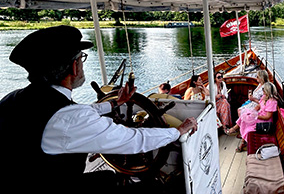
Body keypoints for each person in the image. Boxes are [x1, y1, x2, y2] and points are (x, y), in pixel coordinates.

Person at [0, 25, 198, 191]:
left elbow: (74, 115)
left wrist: (114, 103)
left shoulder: (12, 99)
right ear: (74, 67)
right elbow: (134, 140)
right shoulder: (70, 117)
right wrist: (177, 132)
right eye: (81, 59)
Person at [226, 82, 278, 152]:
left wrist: (256, 116)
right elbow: (259, 106)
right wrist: (252, 112)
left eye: (263, 89)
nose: (262, 91)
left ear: (267, 91)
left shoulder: (272, 102)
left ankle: (239, 137)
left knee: (247, 125)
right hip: (259, 115)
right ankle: (239, 136)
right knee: (245, 115)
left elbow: (268, 117)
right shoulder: (264, 97)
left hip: (264, 121)